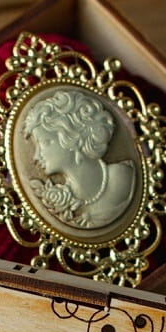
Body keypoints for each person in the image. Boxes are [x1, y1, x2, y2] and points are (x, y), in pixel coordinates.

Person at [25, 88, 136, 230]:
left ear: (72, 138)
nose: (36, 156)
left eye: (45, 143)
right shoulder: (63, 201)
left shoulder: (123, 178)